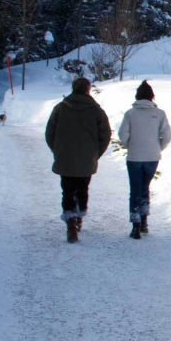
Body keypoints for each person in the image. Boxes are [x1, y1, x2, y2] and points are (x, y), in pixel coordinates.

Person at [45, 77, 112, 243]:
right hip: (87, 158)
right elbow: (105, 135)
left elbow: (50, 133)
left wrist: (57, 150)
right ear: (88, 90)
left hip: (65, 157)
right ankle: (79, 217)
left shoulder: (60, 108)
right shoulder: (96, 111)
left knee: (67, 190)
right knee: (83, 188)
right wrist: (96, 153)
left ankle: (71, 224)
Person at [118, 80, 171, 240]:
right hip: (152, 157)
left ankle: (135, 225)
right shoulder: (160, 113)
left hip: (134, 157)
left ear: (137, 96)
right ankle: (144, 222)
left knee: (135, 190)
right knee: (145, 188)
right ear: (151, 97)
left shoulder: (130, 113)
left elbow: (123, 135)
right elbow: (167, 135)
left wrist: (130, 145)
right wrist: (157, 147)